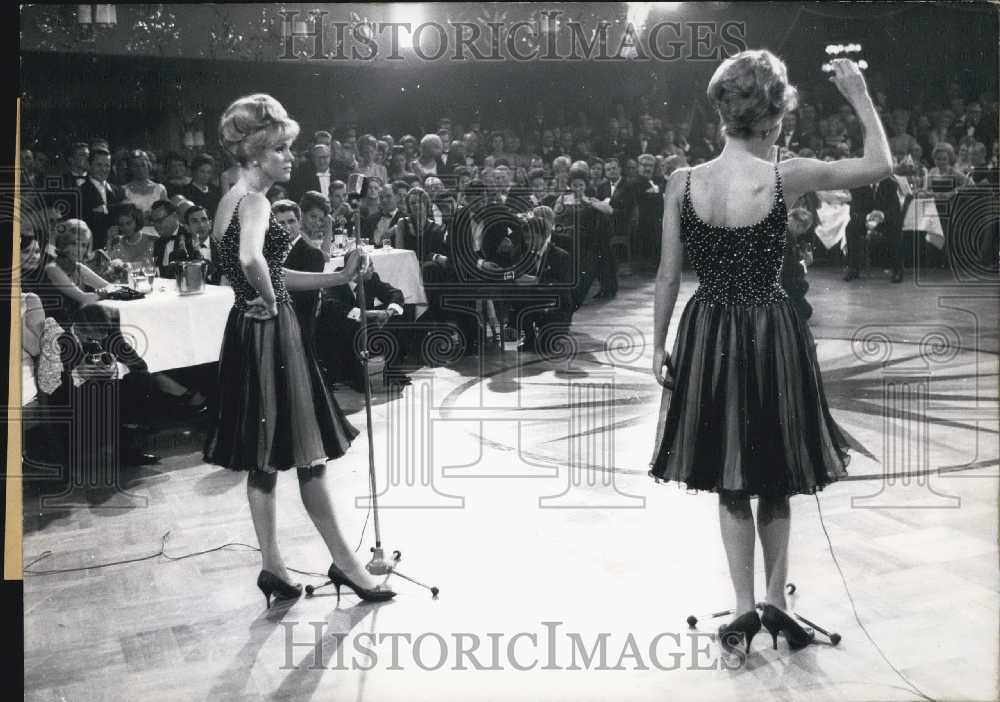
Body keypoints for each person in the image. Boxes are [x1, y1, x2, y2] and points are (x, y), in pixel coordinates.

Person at [649, 52, 890, 656]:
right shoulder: (788, 175)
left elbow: (666, 277)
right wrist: (859, 95)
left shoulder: (683, 181)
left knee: (729, 475)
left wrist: (657, 345)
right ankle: (777, 607)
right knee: (774, 473)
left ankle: (741, 609)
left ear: (723, 114)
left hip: (706, 331)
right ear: (776, 117)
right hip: (770, 332)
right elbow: (879, 164)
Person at [204, 93, 394, 608]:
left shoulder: (229, 201)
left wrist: (336, 275)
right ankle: (348, 565)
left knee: (263, 460)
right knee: (309, 457)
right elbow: (250, 262)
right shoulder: (258, 201)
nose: (291, 157)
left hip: (247, 330)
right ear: (258, 153)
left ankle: (273, 567)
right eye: (283, 150)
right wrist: (269, 299)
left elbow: (265, 270)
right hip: (272, 332)